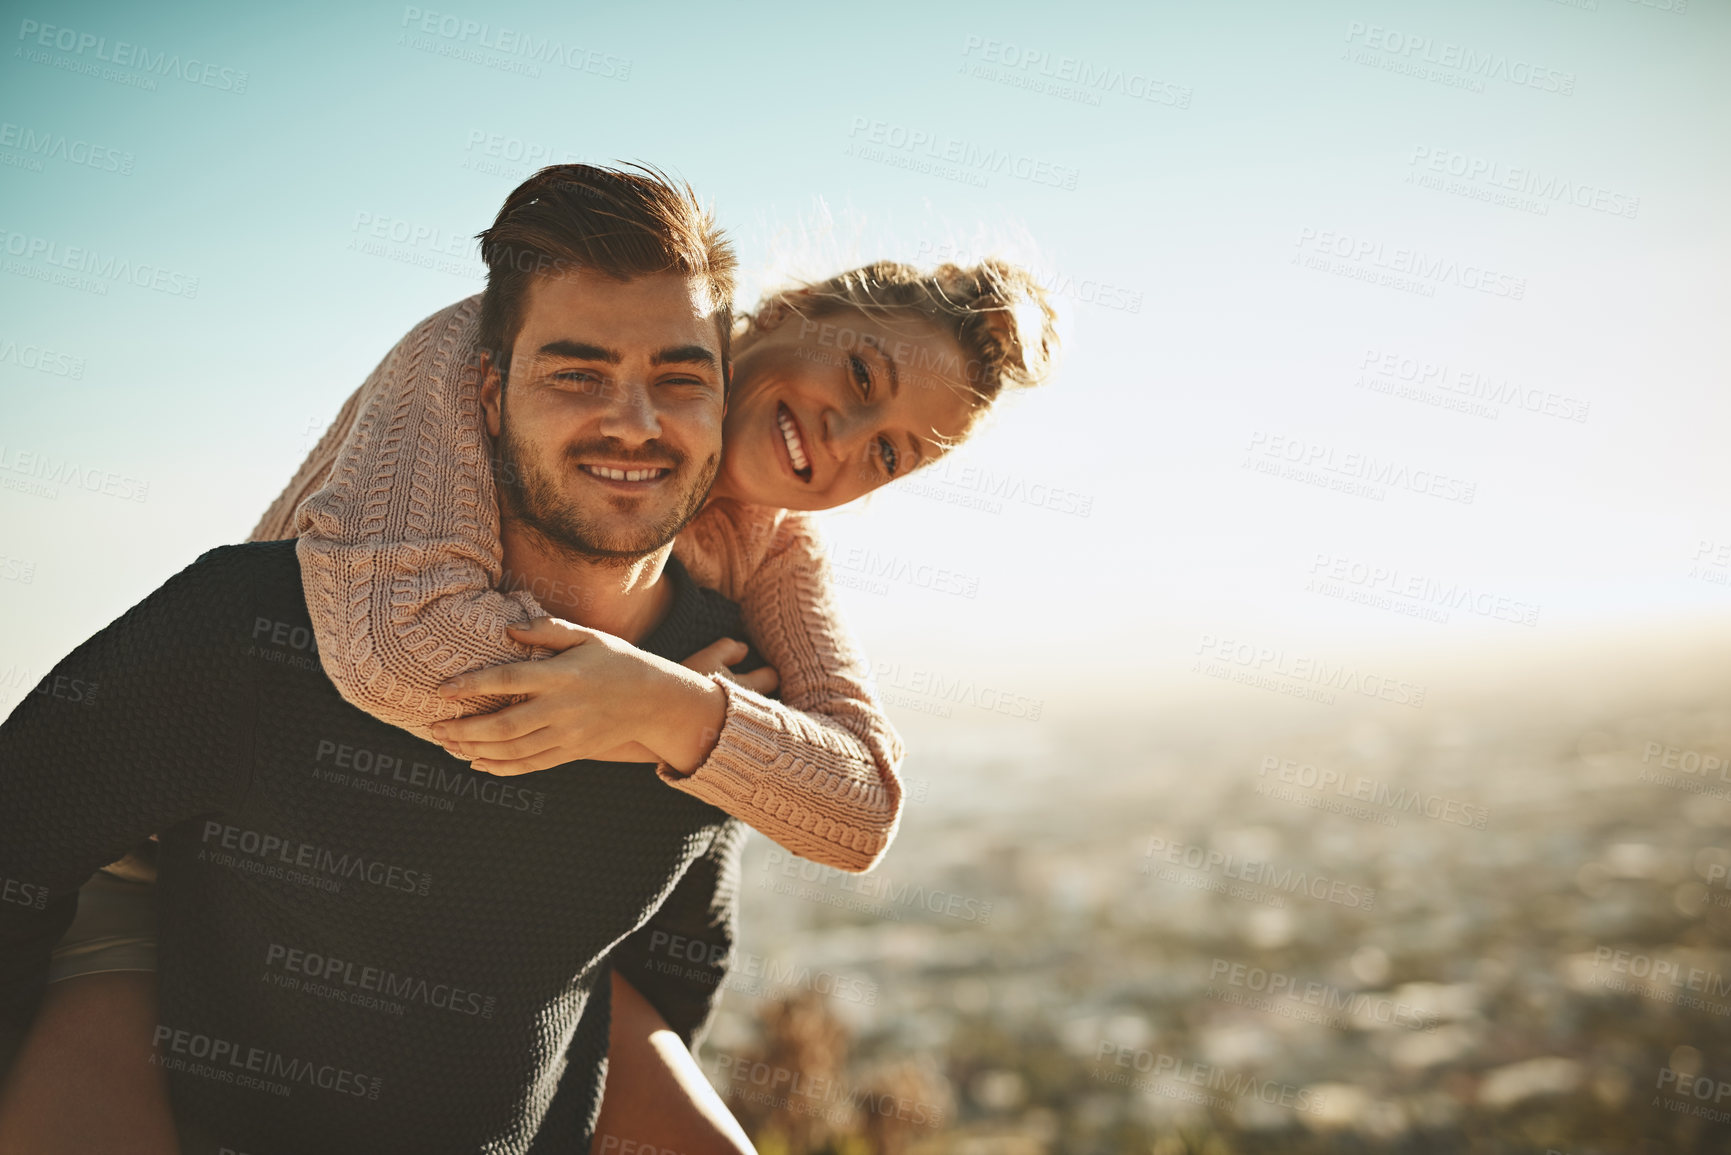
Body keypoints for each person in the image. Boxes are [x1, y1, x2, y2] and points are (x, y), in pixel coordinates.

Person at [5, 163, 1060, 1151]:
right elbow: (400, 652)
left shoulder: (764, 561)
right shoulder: (476, 347)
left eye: (892, 452)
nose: (846, 432)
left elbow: (854, 808)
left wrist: (669, 709)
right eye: (862, 374)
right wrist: (643, 704)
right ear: (779, 320)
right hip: (164, 846)